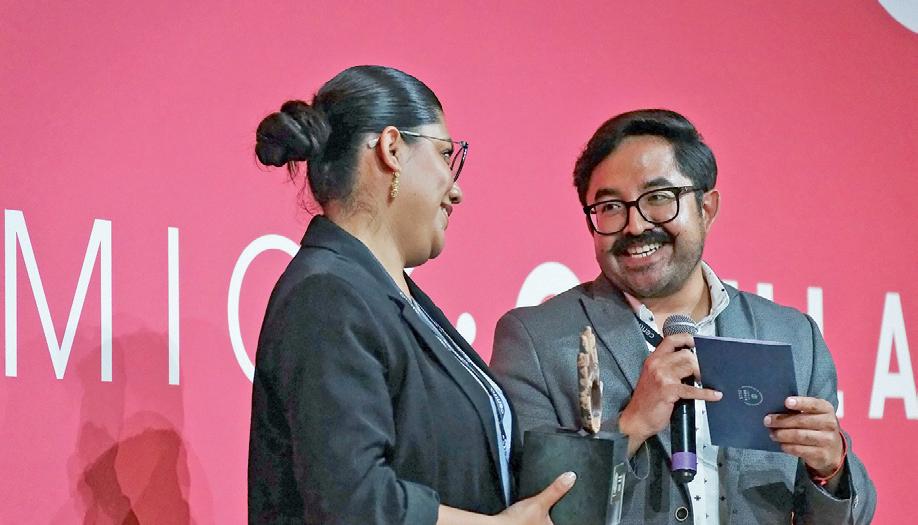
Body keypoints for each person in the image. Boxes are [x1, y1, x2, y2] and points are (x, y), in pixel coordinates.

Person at [490, 109, 876, 524]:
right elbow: (530, 509)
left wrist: (831, 468)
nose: (635, 226)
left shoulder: (792, 335)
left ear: (707, 208)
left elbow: (847, 515)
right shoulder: (537, 339)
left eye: (659, 198)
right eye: (611, 206)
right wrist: (631, 425)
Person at [247, 65, 574, 525]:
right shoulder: (326, 295)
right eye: (445, 155)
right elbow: (354, 502)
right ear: (392, 149)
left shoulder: (386, 295)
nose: (456, 191)